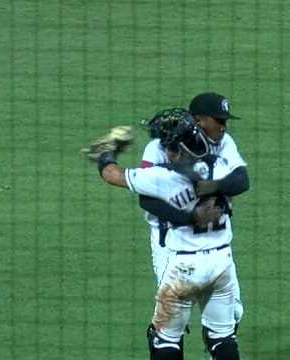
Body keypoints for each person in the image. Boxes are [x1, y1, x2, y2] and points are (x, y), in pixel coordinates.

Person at [90, 110, 242, 360]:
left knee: (165, 339)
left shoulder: (162, 177)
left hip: (184, 266)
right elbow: (241, 182)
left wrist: (106, 151)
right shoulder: (223, 169)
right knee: (223, 338)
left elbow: (111, 174)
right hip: (221, 263)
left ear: (175, 151)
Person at [138, 94, 249, 336]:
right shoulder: (157, 148)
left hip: (213, 241)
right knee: (169, 324)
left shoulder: (223, 142)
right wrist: (189, 216)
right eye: (218, 120)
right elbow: (147, 200)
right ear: (199, 121)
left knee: (233, 314)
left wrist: (203, 187)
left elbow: (241, 181)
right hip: (169, 241)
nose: (223, 125)